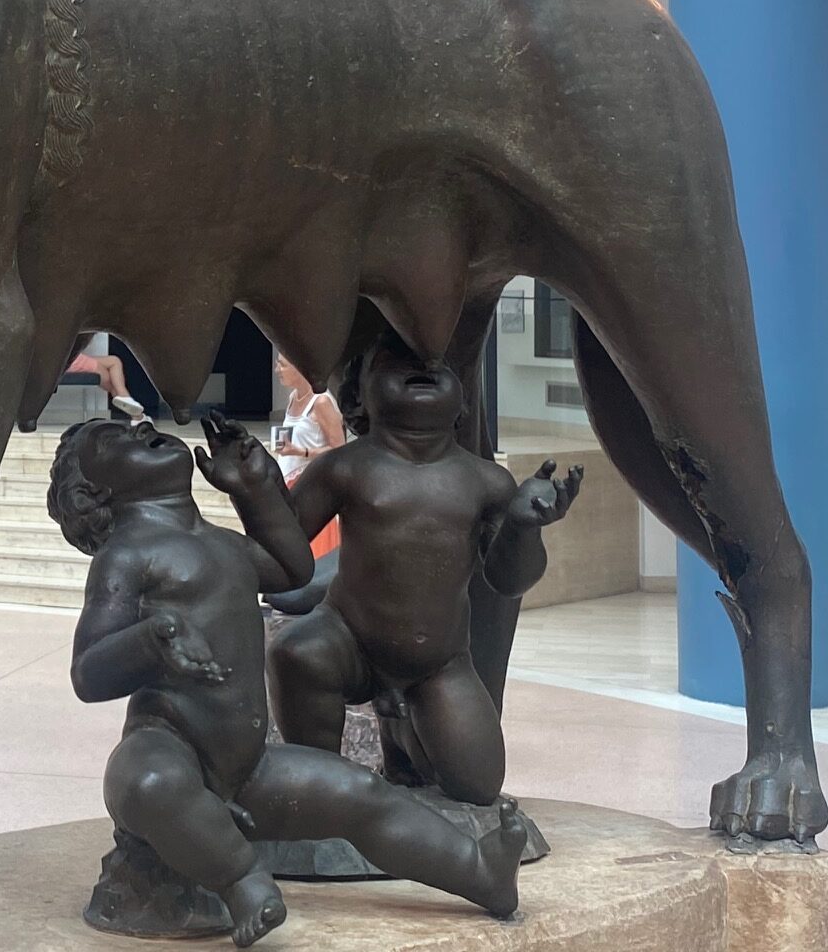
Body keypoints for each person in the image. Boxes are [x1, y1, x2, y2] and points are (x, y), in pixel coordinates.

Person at [51, 414, 524, 947]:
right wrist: (152, 638)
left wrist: (254, 487)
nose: (140, 428)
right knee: (146, 783)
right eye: (117, 438)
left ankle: (480, 871)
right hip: (170, 745)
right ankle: (241, 880)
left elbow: (291, 569)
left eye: (135, 426)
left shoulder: (222, 543)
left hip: (248, 767)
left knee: (365, 795)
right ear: (95, 492)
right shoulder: (127, 555)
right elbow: (87, 673)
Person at [267, 333, 582, 806]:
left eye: (438, 365)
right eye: (395, 363)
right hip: (348, 638)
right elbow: (284, 548)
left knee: (477, 786)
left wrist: (522, 528)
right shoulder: (346, 468)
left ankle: (404, 737)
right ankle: (319, 786)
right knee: (297, 652)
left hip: (437, 661)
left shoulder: (484, 479)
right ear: (360, 397)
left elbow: (508, 581)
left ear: (461, 403)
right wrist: (256, 492)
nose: (422, 367)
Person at [273, 355, 346, 557]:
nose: (277, 369)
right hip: (288, 481)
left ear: (300, 368)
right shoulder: (292, 398)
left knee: (312, 550)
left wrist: (301, 451)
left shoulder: (321, 402)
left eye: (283, 365)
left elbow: (339, 448)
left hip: (311, 484)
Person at [66, 341, 146, 417]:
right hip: (70, 360)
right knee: (111, 381)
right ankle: (134, 413)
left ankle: (125, 398)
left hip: (72, 357)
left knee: (114, 361)